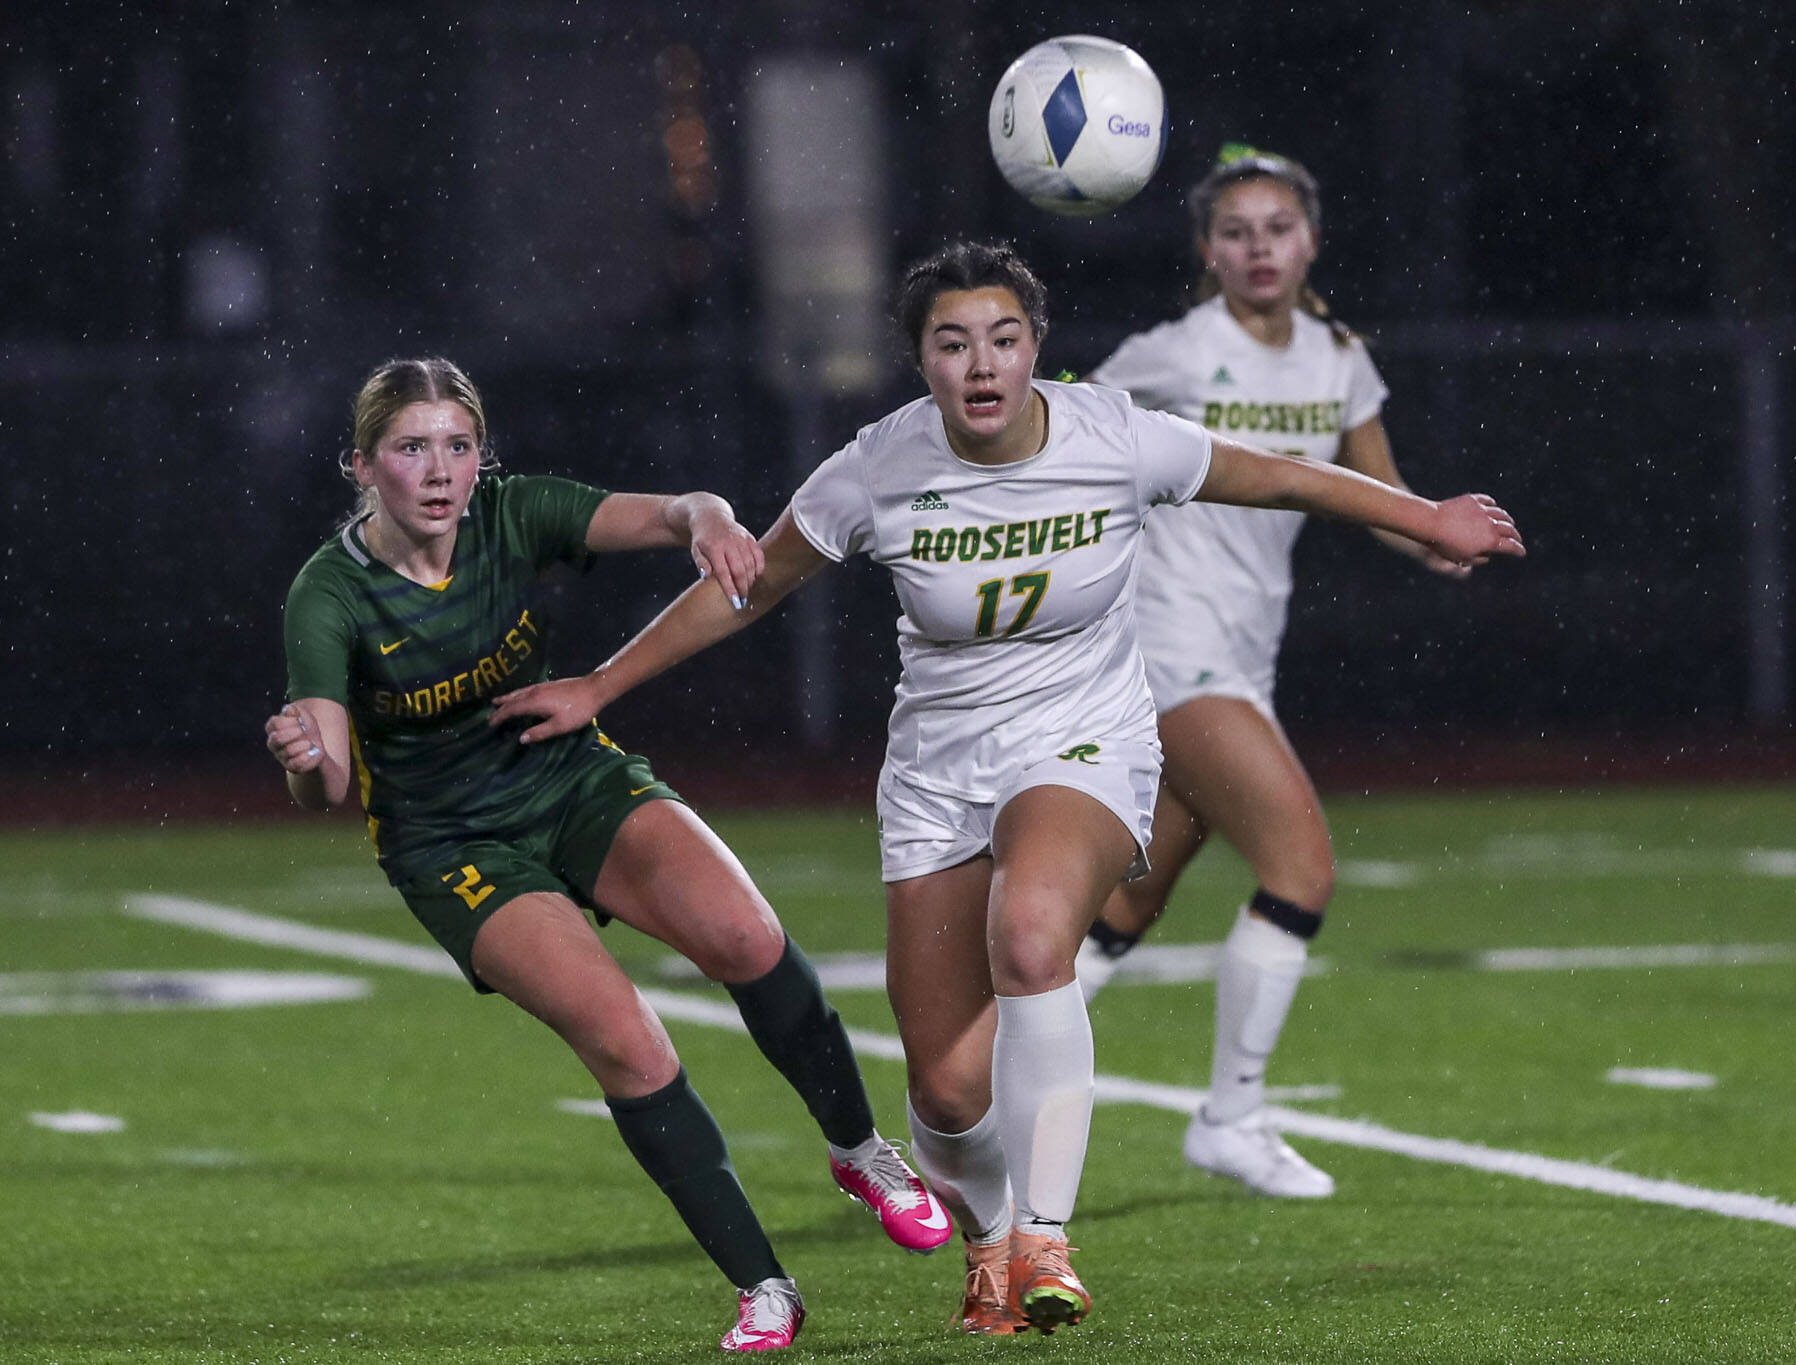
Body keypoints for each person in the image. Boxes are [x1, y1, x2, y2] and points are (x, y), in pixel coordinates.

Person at [488, 242, 1522, 1337]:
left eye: (1002, 338)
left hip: (1083, 742)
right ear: (920, 362)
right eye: (951, 343)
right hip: (937, 773)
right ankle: (986, 1240)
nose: (980, 365)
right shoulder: (873, 468)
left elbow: (1277, 474)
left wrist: (1426, 517)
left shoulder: (1113, 435)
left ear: (1036, 348)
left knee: (1030, 937)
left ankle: (1043, 1236)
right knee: (940, 1095)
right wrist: (601, 683)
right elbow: (745, 592)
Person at [261, 357, 953, 1355]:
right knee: (628, 1040)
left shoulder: (511, 512)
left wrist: (711, 522)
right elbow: (324, 782)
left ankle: (861, 1153)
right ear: (363, 467)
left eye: (457, 444)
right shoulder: (327, 595)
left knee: (746, 935)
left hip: (563, 772)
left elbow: (682, 509)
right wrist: (300, 758)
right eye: (411, 448)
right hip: (449, 842)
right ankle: (765, 1287)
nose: (440, 469)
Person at [1077, 144, 1473, 1200]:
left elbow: (1375, 492)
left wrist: (1427, 539)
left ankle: (963, 1091)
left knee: (1123, 902)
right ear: (1206, 250)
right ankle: (1231, 1117)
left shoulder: (1337, 357)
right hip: (1163, 645)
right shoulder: (1165, 353)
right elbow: (1058, 439)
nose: (1259, 248)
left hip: (1242, 650)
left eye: (1278, 229)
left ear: (1310, 241)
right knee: (1299, 869)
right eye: (1237, 231)